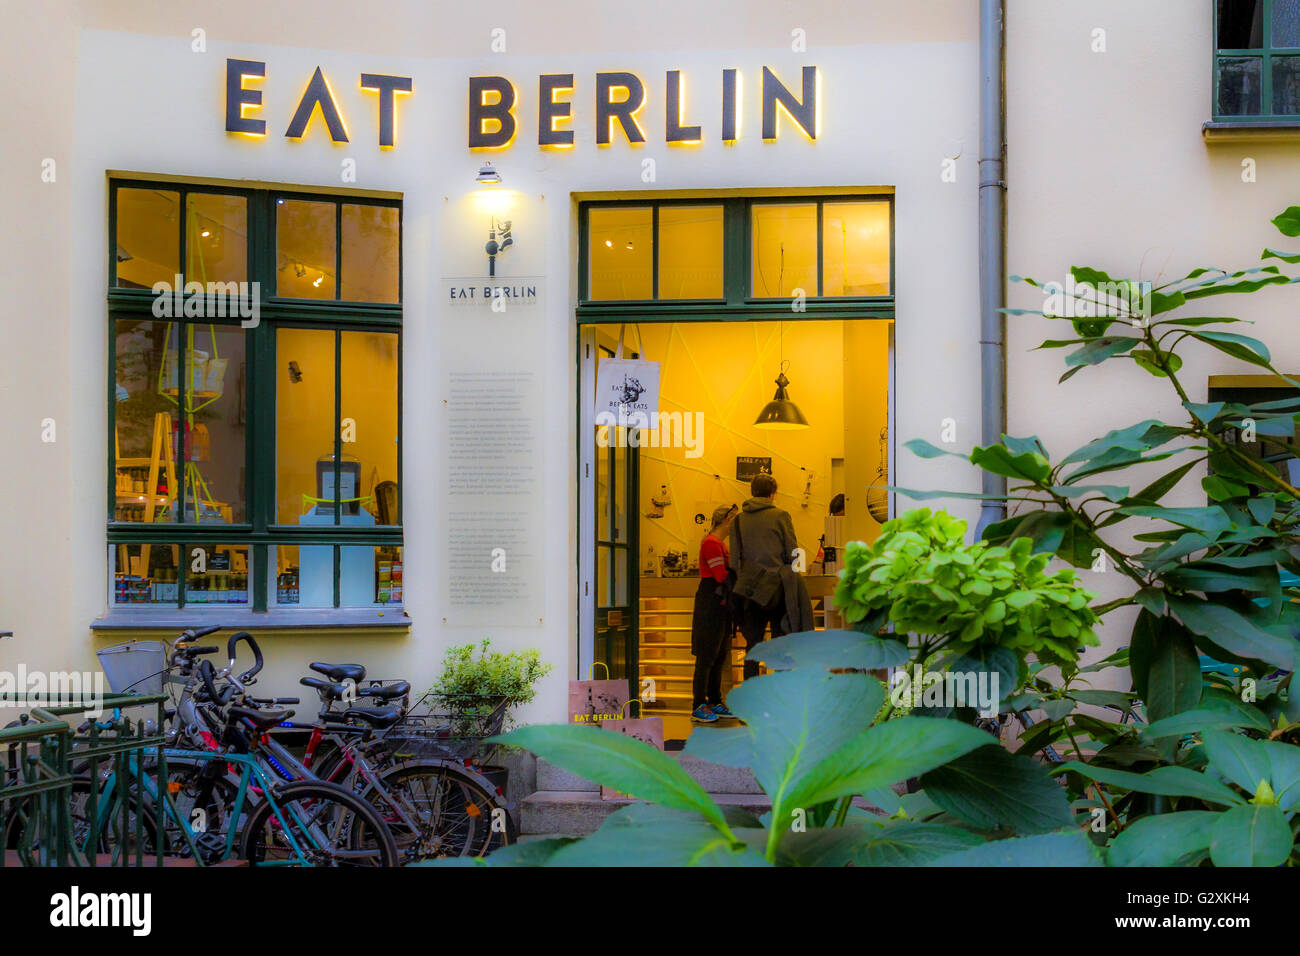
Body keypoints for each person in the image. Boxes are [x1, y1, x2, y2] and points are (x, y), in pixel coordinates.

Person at [731, 474, 799, 681]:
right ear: (772, 493)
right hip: (777, 587)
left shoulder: (738, 520)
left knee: (752, 646)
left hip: (751, 590)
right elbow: (792, 553)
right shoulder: (781, 516)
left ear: (752, 491)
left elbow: (734, 560)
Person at [689, 504, 738, 723]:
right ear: (727, 519)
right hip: (711, 601)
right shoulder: (710, 543)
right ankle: (699, 704)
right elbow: (720, 575)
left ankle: (715, 700)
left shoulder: (719, 544)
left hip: (721, 602)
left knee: (719, 655)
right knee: (707, 656)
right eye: (734, 519)